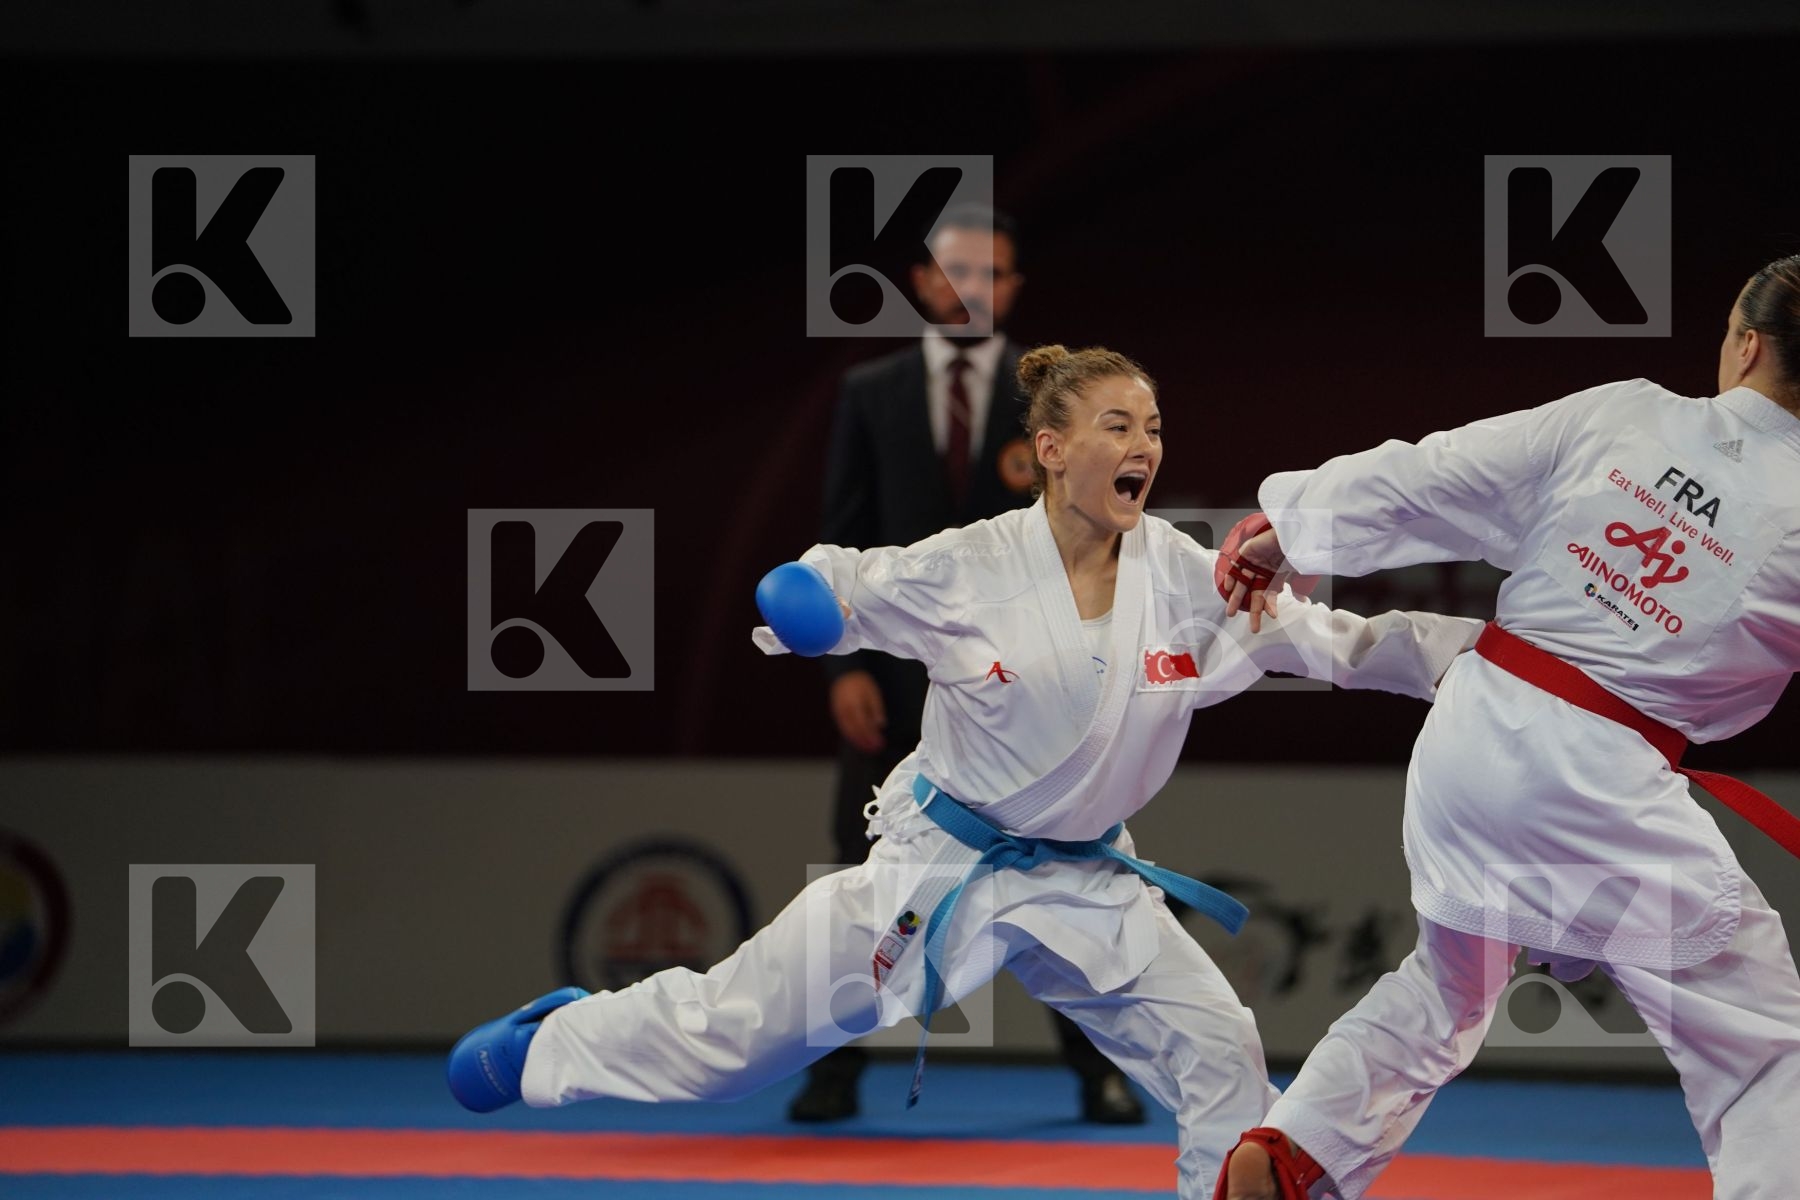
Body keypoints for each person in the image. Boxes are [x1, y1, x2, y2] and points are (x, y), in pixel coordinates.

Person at [449, 345, 1482, 1198]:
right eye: (1118, 426)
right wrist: (805, 594)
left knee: (1222, 1057)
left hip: (1090, 880)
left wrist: (1498, 660)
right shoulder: (972, 566)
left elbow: (1341, 642)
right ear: (1050, 449)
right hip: (941, 867)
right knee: (737, 1043)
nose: (1144, 447)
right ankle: (556, 1042)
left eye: (1154, 429)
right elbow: (851, 582)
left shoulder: (1184, 573)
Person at [1215, 255, 1800, 1200]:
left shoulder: (1629, 412)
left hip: (1473, 736)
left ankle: (1295, 1150)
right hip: (1599, 775)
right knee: (1763, 1048)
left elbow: (1442, 469)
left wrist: (1296, 527)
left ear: (1746, 342)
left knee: (1450, 989)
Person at [804, 203, 1141, 1124]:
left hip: (1020, 681)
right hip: (892, 673)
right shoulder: (869, 391)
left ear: (1013, 288)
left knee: (1060, 864)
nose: (973, 290)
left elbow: (1084, 540)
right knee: (854, 871)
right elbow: (840, 539)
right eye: (957, 273)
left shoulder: (1055, 406)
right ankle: (829, 1071)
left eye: (992, 275)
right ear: (923, 281)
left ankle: (1096, 1070)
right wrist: (845, 671)